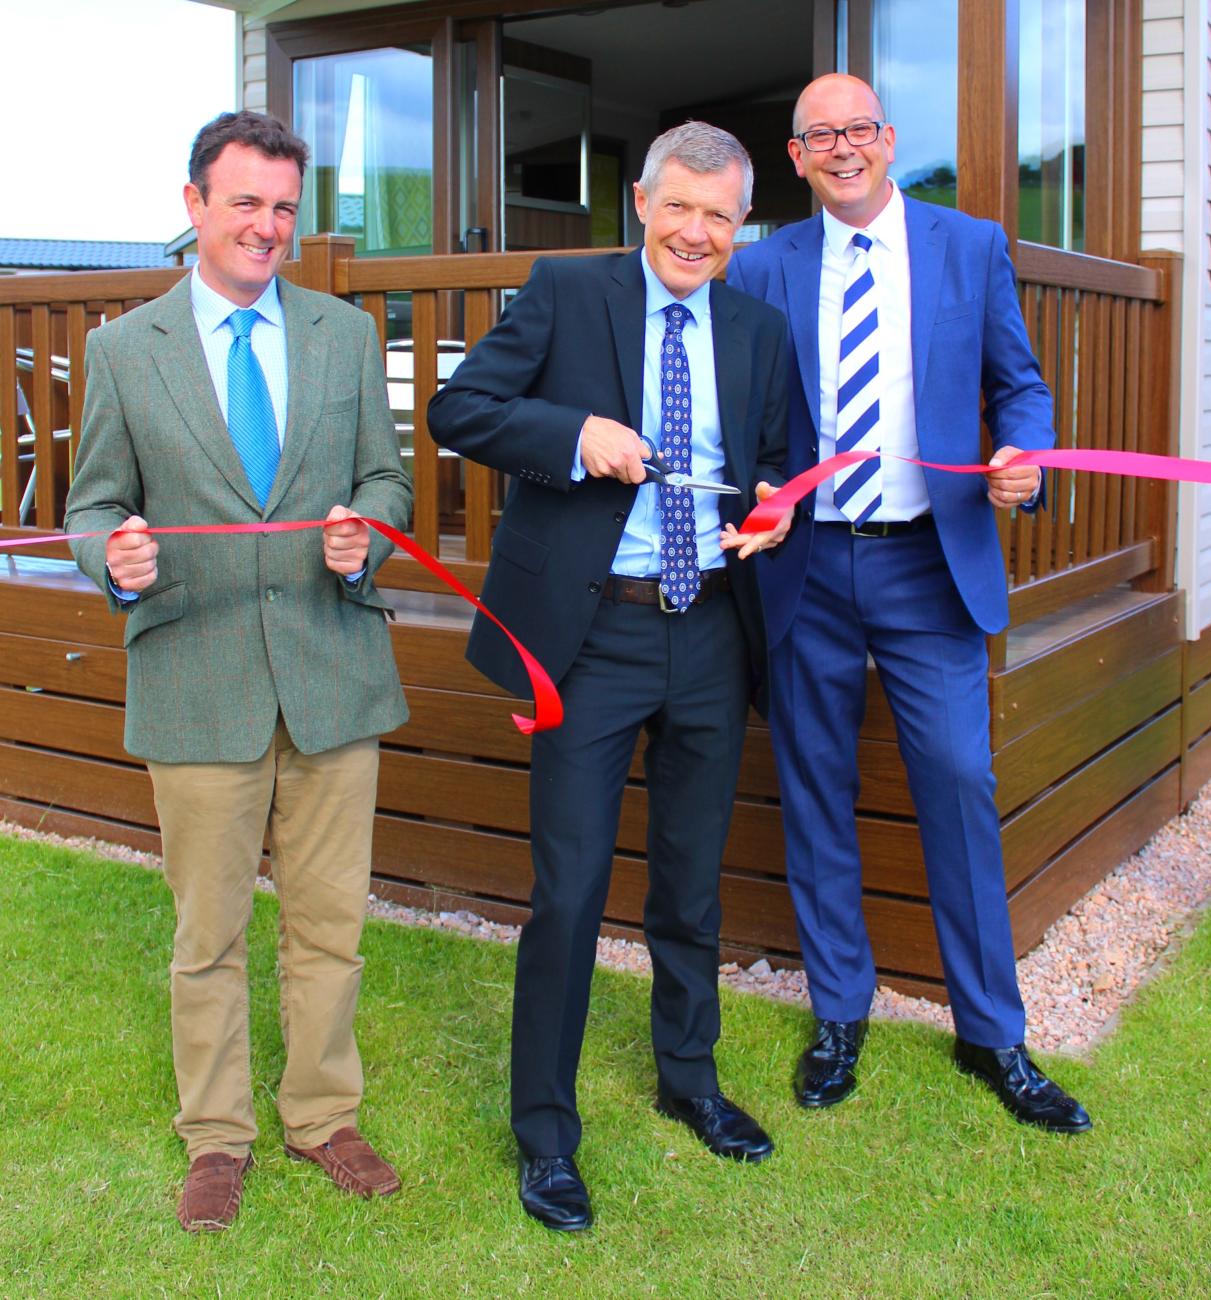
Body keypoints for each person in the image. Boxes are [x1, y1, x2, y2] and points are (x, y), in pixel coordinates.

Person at [427, 121, 791, 1231]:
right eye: (678, 207)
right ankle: (545, 1133)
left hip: (710, 629)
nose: (696, 232)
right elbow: (459, 411)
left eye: (719, 216)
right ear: (640, 201)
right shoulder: (563, 291)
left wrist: (774, 511)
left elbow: (777, 464)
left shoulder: (758, 329)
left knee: (688, 885)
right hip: (589, 641)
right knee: (570, 891)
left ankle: (690, 1081)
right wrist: (574, 431)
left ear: (740, 224)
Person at [64, 111, 414, 1231]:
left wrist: (368, 525)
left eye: (282, 208)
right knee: (206, 935)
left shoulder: (344, 335)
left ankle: (323, 1115)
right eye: (246, 202)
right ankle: (216, 1137)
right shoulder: (125, 351)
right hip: (198, 677)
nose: (267, 226)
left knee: (328, 925)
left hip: (330, 675)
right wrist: (113, 560)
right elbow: (92, 506)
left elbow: (386, 480)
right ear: (194, 206)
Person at [726, 75, 1091, 1133]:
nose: (841, 148)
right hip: (805, 566)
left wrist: (1023, 449)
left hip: (928, 562)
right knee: (812, 788)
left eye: (857, 129)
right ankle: (838, 1012)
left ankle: (992, 1032)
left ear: (887, 140)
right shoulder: (761, 266)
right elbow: (750, 409)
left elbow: (1016, 382)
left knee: (957, 779)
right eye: (817, 136)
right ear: (794, 157)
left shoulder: (966, 246)